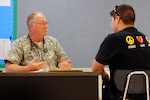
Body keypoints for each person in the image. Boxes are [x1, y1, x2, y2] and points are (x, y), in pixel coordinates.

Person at [91, 4, 150, 100]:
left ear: (117, 19)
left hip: (119, 96)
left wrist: (105, 77)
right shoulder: (146, 39)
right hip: (144, 95)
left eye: (111, 20)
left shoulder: (113, 39)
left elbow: (96, 69)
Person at [4, 11, 71, 72]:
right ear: (31, 26)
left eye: (46, 23)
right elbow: (9, 68)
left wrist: (65, 66)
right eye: (42, 23)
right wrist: (27, 68)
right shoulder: (19, 44)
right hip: (31, 82)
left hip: (53, 82)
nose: (46, 26)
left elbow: (63, 62)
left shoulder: (53, 42)